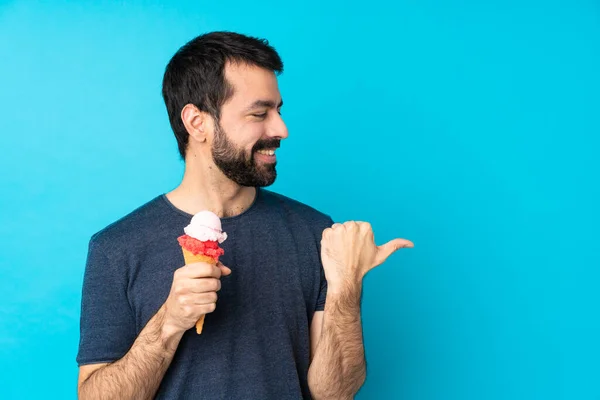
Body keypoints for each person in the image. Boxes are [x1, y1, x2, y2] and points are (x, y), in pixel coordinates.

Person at [76, 31, 413, 400]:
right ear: (197, 122)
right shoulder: (116, 248)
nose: (281, 129)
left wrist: (345, 288)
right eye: (259, 113)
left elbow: (334, 393)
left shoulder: (316, 233)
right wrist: (169, 323)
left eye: (279, 111)